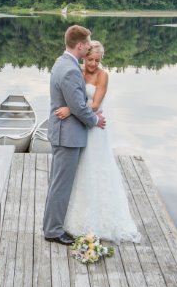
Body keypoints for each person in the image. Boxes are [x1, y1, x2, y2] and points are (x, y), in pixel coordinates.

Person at [57, 40, 140, 243]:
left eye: (97, 60)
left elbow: (95, 104)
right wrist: (72, 107)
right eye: (90, 59)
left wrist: (70, 109)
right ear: (84, 56)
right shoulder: (76, 71)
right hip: (80, 125)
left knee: (96, 166)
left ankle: (102, 218)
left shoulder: (103, 76)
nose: (93, 64)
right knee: (80, 168)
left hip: (96, 127)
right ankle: (75, 217)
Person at [42, 25, 106, 245]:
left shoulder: (63, 62)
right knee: (61, 185)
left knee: (57, 182)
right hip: (67, 136)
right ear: (80, 45)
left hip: (63, 133)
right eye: (87, 43)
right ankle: (53, 230)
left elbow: (73, 103)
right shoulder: (70, 70)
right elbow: (78, 107)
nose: (89, 46)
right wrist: (96, 120)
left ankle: (51, 225)